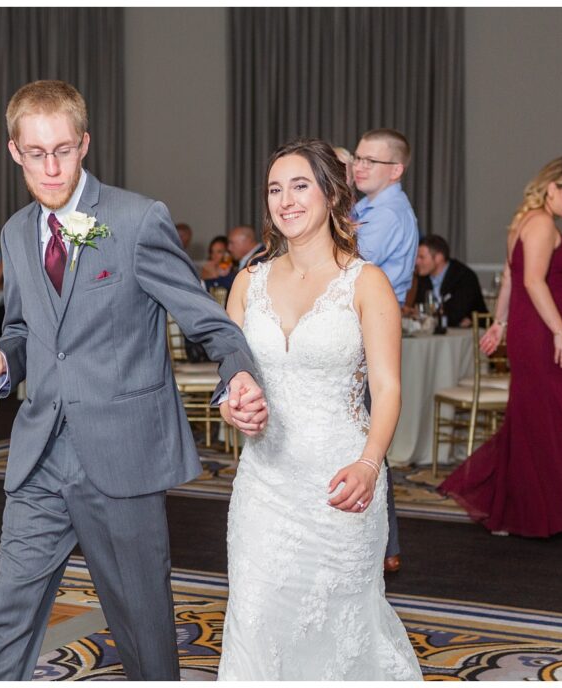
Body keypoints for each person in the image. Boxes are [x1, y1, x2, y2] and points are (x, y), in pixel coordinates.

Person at [0, 80, 266, 681]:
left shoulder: (135, 220)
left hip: (123, 456)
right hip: (39, 456)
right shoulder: (17, 232)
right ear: (14, 151)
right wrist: (2, 362)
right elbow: (22, 329)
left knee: (144, 633)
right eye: (37, 152)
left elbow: (211, 324)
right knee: (8, 622)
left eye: (64, 150)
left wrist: (239, 378)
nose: (52, 167)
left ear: (85, 144)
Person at [217, 138, 421, 680]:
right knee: (256, 617)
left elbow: (389, 387)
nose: (285, 200)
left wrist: (370, 463)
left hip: (341, 482)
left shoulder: (367, 282)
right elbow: (231, 382)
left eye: (300, 185)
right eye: (274, 189)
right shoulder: (247, 283)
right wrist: (233, 409)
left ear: (332, 194)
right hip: (264, 485)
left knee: (340, 626)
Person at [438, 156, 562, 537]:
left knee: (542, 417)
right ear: (553, 187)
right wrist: (560, 331)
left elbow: (508, 276)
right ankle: (535, 508)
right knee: (554, 417)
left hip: (531, 329)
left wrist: (502, 323)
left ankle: (526, 504)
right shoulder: (539, 222)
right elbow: (533, 282)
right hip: (542, 333)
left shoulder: (523, 221)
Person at [353, 127, 419, 573]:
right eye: (357, 157)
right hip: (366, 323)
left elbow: (346, 262)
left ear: (395, 170)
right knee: (360, 430)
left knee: (362, 432)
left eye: (370, 161)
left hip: (368, 328)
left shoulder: (388, 214)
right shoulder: (371, 206)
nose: (359, 166)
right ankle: (385, 543)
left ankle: (382, 543)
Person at [408, 235, 487, 327]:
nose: (416, 262)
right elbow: (418, 310)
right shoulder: (423, 278)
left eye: (421, 257)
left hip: (473, 335)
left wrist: (426, 316)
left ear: (439, 258)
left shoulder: (464, 277)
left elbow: (455, 315)